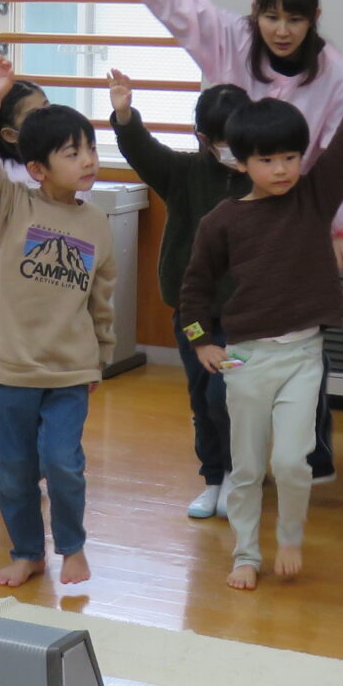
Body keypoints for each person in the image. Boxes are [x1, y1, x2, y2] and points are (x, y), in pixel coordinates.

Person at [104, 0, 343, 479]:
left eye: (294, 19)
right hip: (237, 213)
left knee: (298, 337)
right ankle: (228, 463)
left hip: (297, 216)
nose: (281, 29)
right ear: (255, 13)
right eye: (270, 16)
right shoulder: (231, 38)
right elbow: (177, 7)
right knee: (226, 349)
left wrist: (342, 227)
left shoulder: (338, 75)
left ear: (315, 18)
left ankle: (310, 446)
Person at [178, 42, 343, 588]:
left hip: (303, 355)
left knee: (294, 462)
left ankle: (290, 537)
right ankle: (246, 553)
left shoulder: (314, 198)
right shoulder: (221, 222)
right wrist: (202, 341)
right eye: (267, 160)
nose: (282, 169)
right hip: (245, 359)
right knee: (248, 467)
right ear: (240, 161)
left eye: (291, 158)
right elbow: (194, 290)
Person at [0, 53, 117, 590]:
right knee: (13, 470)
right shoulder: (8, 207)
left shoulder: (97, 223)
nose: (88, 160)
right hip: (11, 371)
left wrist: (102, 356)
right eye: (73, 153)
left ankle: (72, 546)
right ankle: (28, 552)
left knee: (63, 463)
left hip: (70, 371)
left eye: (91, 148)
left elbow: (102, 298)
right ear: (37, 169)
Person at [107, 73, 250, 520]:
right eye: (226, 142)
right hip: (193, 317)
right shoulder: (184, 172)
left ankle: (238, 473)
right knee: (202, 396)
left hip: (245, 319)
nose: (236, 151)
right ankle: (214, 477)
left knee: (226, 396)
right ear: (204, 139)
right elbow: (142, 150)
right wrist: (125, 115)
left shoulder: (262, 177)